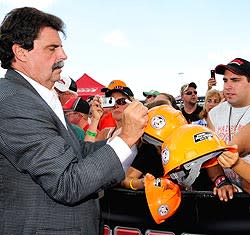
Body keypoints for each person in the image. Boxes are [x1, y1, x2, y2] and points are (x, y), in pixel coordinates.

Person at [0, 7, 148, 235]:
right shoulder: (13, 101)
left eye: (61, 47)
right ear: (21, 52)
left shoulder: (38, 96)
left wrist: (128, 137)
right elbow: (67, 183)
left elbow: (80, 153)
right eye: (52, 48)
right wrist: (126, 137)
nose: (63, 56)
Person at [207, 57, 250, 196]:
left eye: (235, 80)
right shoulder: (214, 114)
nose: (227, 86)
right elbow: (210, 155)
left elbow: (236, 148)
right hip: (231, 195)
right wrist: (221, 180)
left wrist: (234, 161)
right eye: (225, 80)